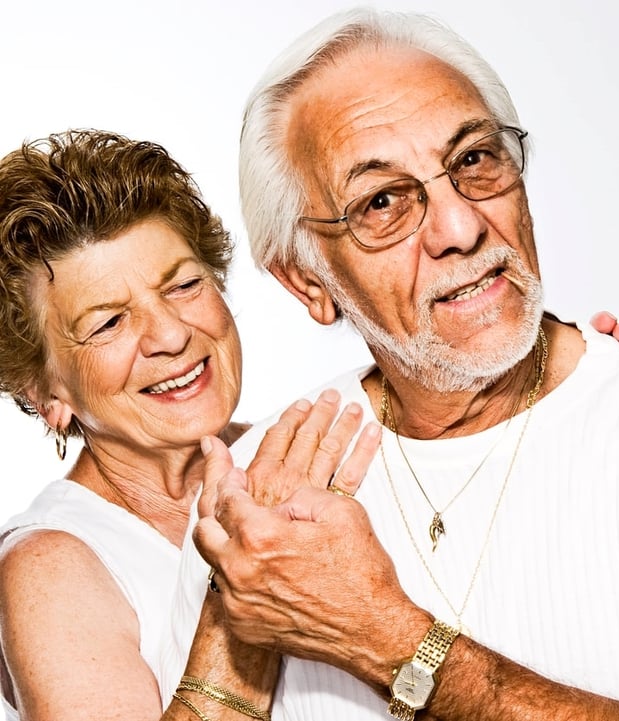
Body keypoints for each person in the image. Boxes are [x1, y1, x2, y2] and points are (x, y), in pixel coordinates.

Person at [168, 7, 619, 721]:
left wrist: (386, 638)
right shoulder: (259, 483)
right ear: (308, 283)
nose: (461, 226)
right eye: (382, 201)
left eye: (474, 160)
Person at [0, 129, 382, 721]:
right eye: (108, 324)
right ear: (47, 393)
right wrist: (244, 597)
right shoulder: (50, 568)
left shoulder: (316, 447)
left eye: (183, 285)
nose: (172, 335)